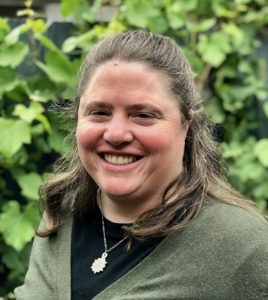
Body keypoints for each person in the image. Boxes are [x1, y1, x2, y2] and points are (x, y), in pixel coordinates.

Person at [15, 31, 268, 300]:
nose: (115, 134)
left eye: (143, 115)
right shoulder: (61, 212)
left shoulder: (242, 245)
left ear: (186, 126)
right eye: (99, 112)